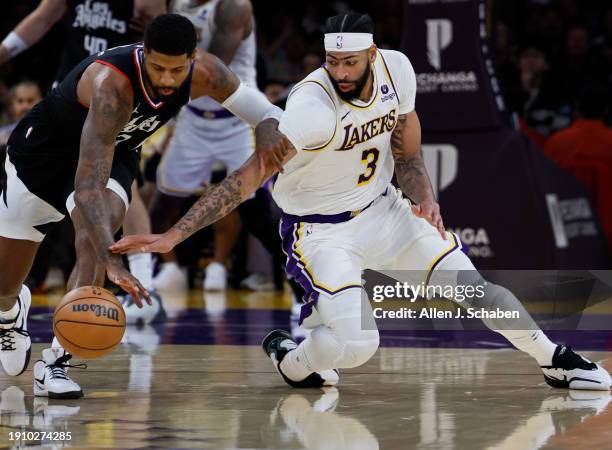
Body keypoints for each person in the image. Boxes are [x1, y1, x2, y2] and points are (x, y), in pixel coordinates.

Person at [111, 13, 611, 391]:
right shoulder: (311, 108)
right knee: (358, 346)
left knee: (476, 291)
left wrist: (426, 198)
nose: (341, 72)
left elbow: (407, 149)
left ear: (373, 53)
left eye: (350, 62)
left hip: (384, 210)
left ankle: (554, 360)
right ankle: (292, 359)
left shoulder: (398, 70)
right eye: (332, 62)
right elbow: (247, 178)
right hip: (320, 232)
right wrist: (173, 235)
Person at [0, 13, 284, 398]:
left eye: (176, 70)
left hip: (112, 155)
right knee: (6, 284)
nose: (167, 79)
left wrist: (268, 133)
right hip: (41, 158)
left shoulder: (207, 73)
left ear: (193, 58)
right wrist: (113, 260)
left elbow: (267, 113)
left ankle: (56, 362)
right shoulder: (111, 87)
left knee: (93, 241)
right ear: (143, 53)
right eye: (157, 68)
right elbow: (86, 187)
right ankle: (9, 313)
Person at [0, 0, 167, 319]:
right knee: (31, 233)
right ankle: (13, 304)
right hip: (68, 105)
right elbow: (41, 17)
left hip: (122, 103)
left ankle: (141, 288)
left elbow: (161, 33)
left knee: (112, 205)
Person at [151, 0, 258, 291]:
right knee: (163, 201)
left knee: (253, 207)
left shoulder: (234, 6)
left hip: (237, 116)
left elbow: (211, 71)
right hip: (192, 116)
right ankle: (169, 268)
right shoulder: (176, 3)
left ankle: (221, 266)